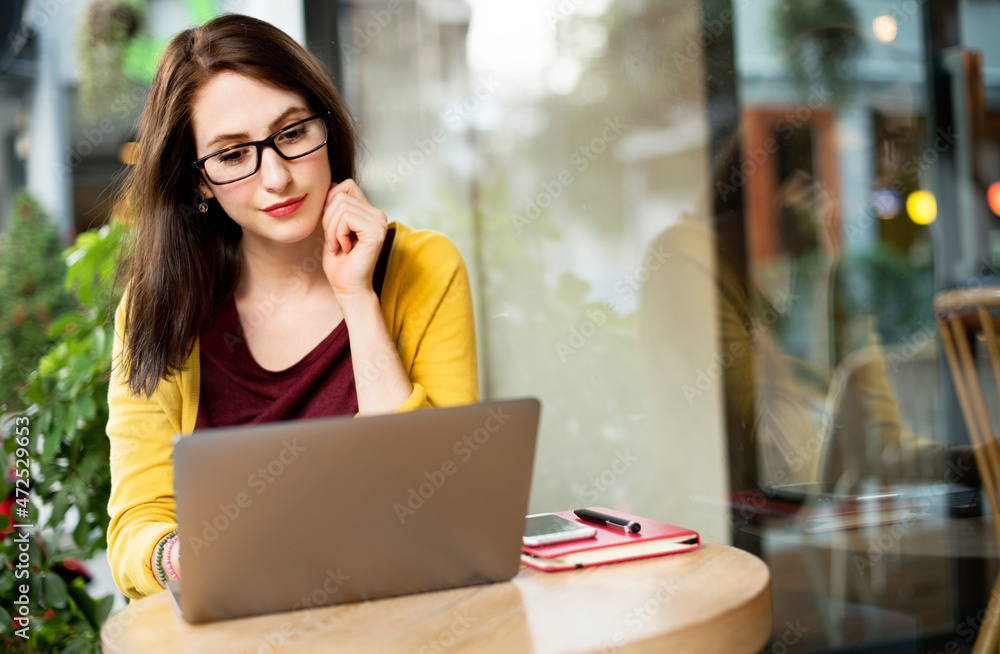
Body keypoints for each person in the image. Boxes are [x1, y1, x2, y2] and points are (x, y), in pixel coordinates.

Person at [105, 14, 478, 600]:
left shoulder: (424, 268)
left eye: (293, 133)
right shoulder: (158, 308)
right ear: (199, 181)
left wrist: (358, 299)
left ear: (326, 125)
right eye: (232, 156)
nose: (276, 176)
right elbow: (134, 528)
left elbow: (442, 501)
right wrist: (189, 555)